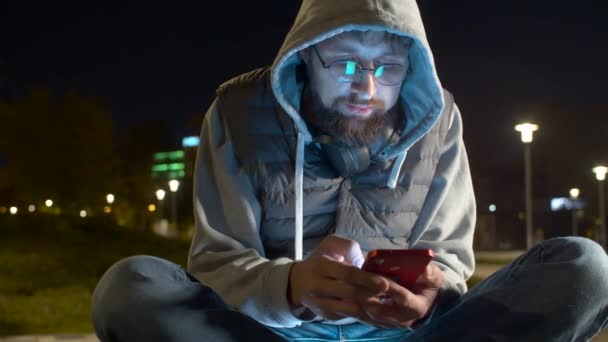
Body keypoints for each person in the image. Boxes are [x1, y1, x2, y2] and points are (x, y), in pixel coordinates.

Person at [92, 0, 608, 341]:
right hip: (274, 332)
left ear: (413, 66)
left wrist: (432, 292)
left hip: (406, 335)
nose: (367, 88)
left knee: (585, 269)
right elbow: (217, 263)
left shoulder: (439, 118)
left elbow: (449, 258)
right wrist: (293, 286)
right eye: (345, 63)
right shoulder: (235, 112)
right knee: (130, 288)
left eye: (388, 68)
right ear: (304, 55)